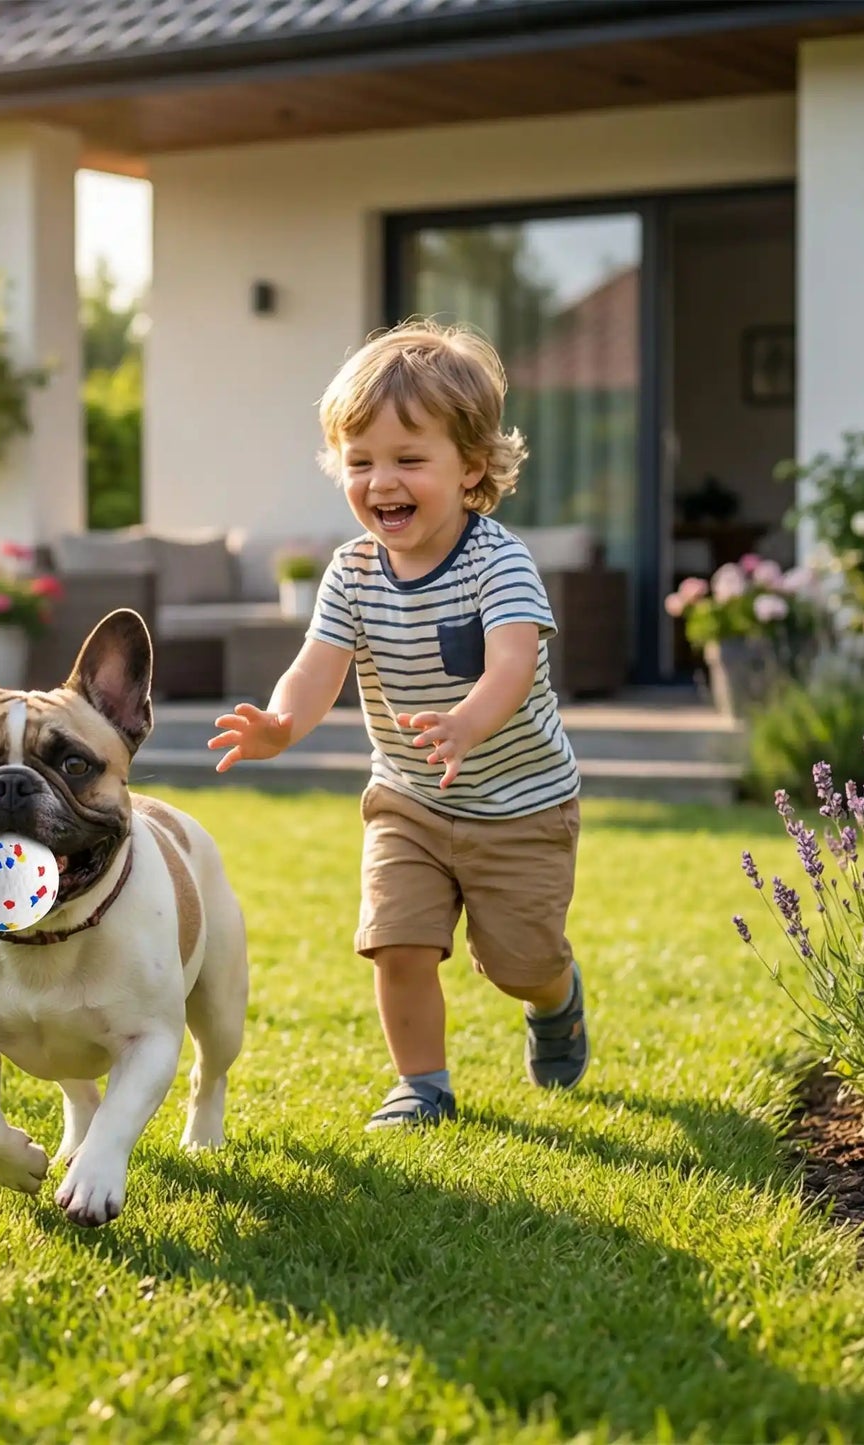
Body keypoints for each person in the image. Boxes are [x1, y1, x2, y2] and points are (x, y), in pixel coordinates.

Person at [209, 319, 587, 1129]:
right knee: (397, 941)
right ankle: (422, 1085)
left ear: (472, 467)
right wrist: (281, 721)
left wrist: (465, 723)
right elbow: (318, 664)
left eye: (409, 460)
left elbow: (512, 664)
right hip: (409, 799)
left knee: (516, 963)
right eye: (361, 462)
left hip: (519, 802)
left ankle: (554, 999)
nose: (382, 480)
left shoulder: (498, 560)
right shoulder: (349, 572)